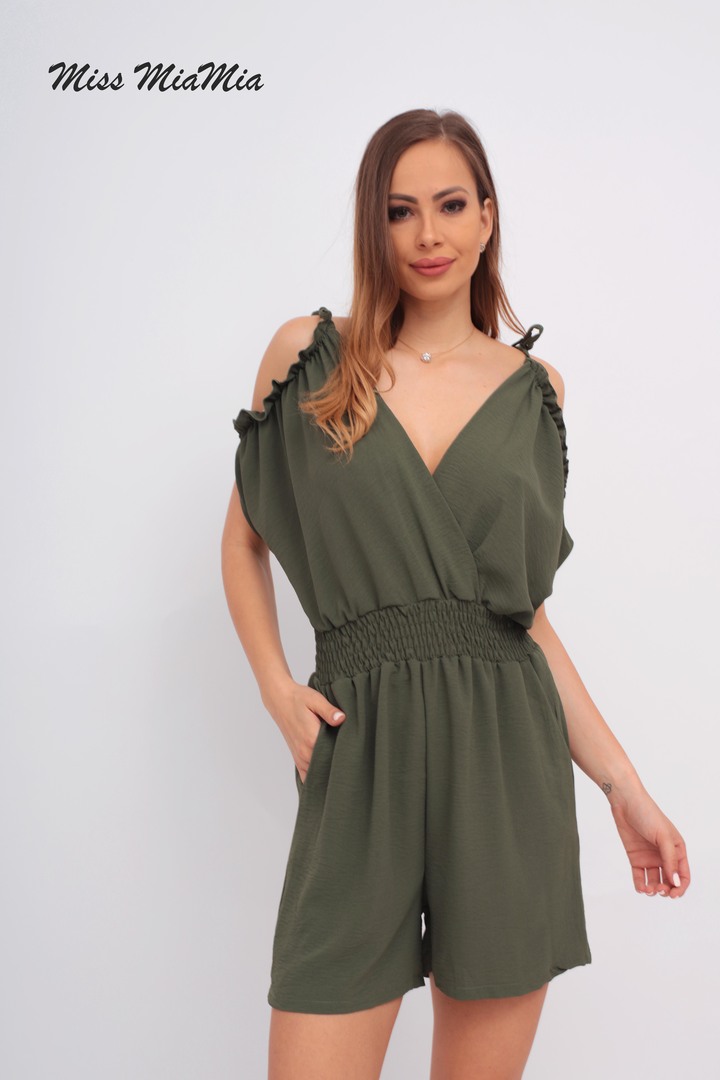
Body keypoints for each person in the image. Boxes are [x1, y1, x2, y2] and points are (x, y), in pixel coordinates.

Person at [221, 108, 691, 1080]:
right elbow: (243, 540)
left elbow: (524, 621)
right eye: (400, 211)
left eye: (449, 205)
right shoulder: (309, 356)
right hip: (361, 749)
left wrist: (624, 787)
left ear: (486, 216)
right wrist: (274, 686)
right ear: (374, 224)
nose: (427, 235)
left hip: (504, 761)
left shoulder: (537, 390)